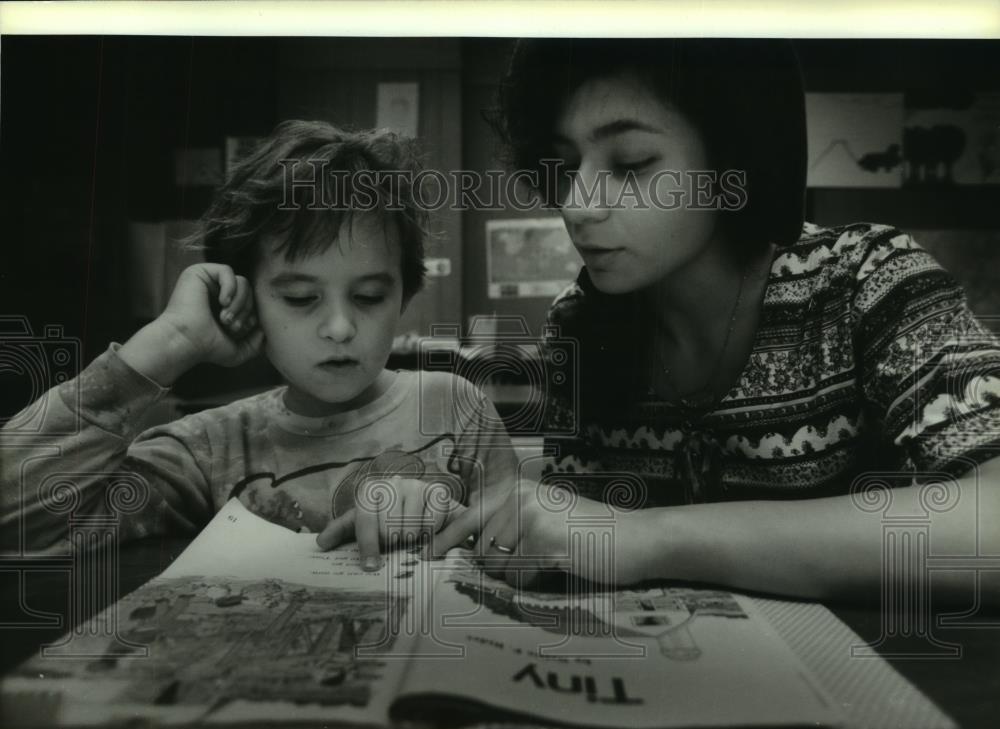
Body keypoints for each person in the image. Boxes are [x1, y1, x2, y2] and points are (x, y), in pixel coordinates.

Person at [433, 39, 1000, 602]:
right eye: (564, 164)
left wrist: (648, 537)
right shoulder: (581, 324)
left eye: (630, 164)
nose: (579, 204)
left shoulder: (868, 280)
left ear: (733, 158)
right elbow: (577, 538)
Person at [1, 120, 517, 571]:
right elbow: (17, 523)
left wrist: (451, 520)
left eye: (368, 296)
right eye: (298, 298)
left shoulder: (455, 407)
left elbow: (527, 548)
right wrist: (167, 343)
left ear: (403, 294)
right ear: (246, 298)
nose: (339, 326)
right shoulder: (210, 449)